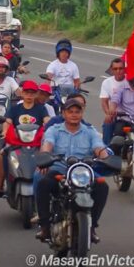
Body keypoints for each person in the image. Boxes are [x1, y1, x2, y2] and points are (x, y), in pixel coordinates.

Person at [35, 99, 110, 243]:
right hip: (60, 169)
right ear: (63, 113)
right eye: (70, 112)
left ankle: (92, 227)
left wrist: (105, 158)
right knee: (43, 183)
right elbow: (47, 145)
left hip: (84, 172)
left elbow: (99, 147)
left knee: (102, 186)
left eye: (77, 111)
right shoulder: (54, 130)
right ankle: (44, 227)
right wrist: (45, 157)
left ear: (82, 113)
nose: (74, 114)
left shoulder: (90, 131)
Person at [0, 80, 50, 198]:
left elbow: (47, 121)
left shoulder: (41, 109)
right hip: (16, 142)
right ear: (22, 93)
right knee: (2, 155)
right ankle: (0, 186)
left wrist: (50, 127)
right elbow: (7, 122)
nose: (29, 95)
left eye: (32, 93)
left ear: (36, 94)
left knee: (48, 157)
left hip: (36, 143)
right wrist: (5, 131)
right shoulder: (15, 109)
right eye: (27, 92)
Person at [99, 57, 130, 145]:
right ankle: (107, 148)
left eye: (121, 68)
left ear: (124, 69)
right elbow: (104, 101)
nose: (118, 71)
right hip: (117, 116)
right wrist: (109, 113)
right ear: (112, 70)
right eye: (115, 69)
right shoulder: (107, 82)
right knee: (107, 121)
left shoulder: (131, 81)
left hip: (132, 116)